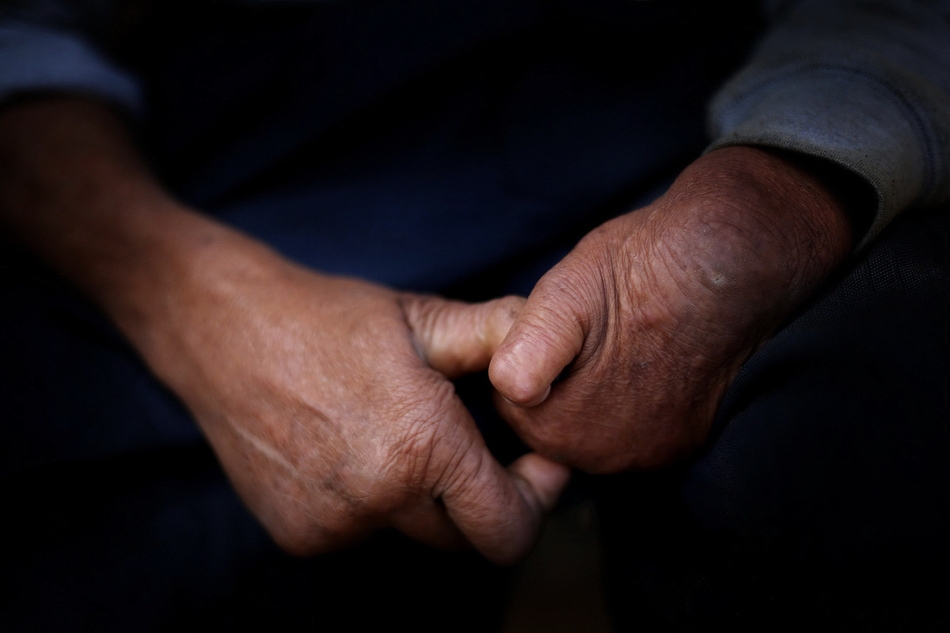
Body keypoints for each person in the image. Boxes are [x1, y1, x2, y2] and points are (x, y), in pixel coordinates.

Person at [2, 0, 949, 630]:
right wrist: (199, 307)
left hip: (720, 116)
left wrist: (787, 185)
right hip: (192, 162)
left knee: (860, 425)